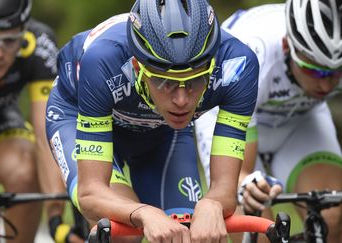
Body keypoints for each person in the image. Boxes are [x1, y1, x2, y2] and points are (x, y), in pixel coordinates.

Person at [45, 0, 259, 242]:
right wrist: (142, 213)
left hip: (163, 130)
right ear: (138, 66)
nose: (181, 100)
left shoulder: (238, 65)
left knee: (186, 235)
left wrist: (213, 204)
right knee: (125, 235)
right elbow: (91, 193)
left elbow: (225, 189)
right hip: (76, 113)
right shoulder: (103, 60)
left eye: (195, 81)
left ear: (211, 67)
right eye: (164, 82)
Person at [195, 0, 342, 242]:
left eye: (339, 72)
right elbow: (240, 175)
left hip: (300, 121)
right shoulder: (253, 53)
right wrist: (247, 185)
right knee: (258, 228)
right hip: (230, 117)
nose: (327, 84)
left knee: (331, 217)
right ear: (288, 46)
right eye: (315, 70)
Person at [0, 0, 72, 242]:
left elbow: (47, 136)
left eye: (10, 41)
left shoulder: (38, 44)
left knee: (26, 169)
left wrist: (56, 221)